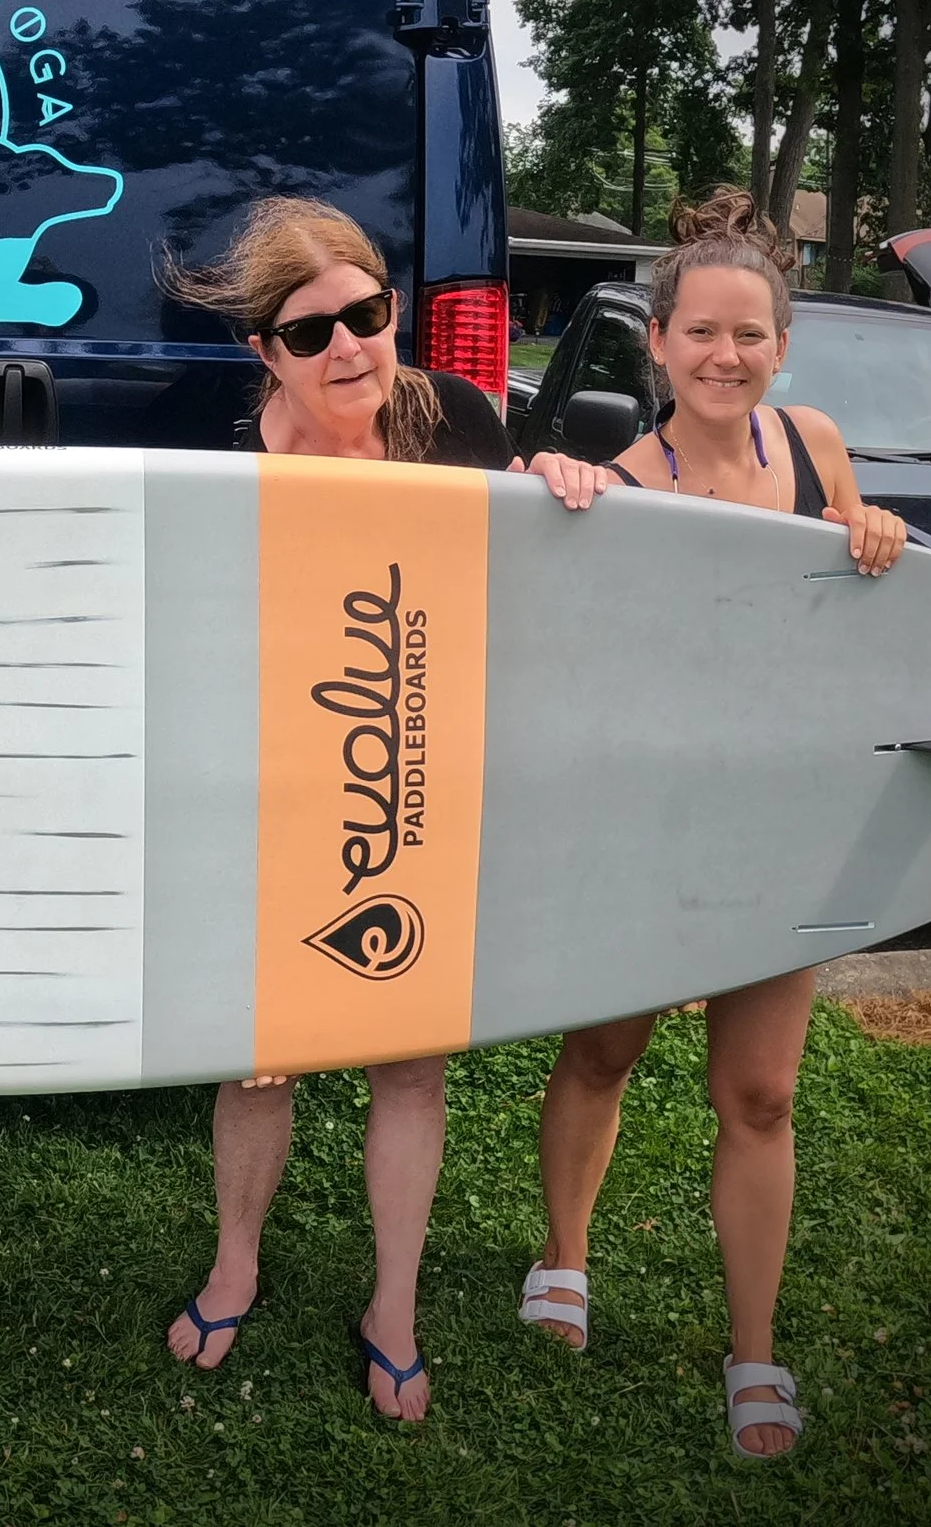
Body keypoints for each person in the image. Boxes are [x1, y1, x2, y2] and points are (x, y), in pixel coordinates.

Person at [159, 197, 609, 1425]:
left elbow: (525, 577)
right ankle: (235, 1261)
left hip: (420, 777)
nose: (350, 347)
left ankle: (392, 1305)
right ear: (266, 353)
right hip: (275, 787)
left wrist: (556, 479)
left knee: (409, 1062)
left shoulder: (456, 419)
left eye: (368, 313)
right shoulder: (224, 451)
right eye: (313, 333)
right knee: (258, 1060)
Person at [517, 187, 905, 1460]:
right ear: (660, 344)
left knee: (761, 1094)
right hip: (645, 824)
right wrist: (544, 481)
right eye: (701, 334)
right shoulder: (619, 478)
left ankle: (754, 1351)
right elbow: (547, 612)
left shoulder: (815, 444)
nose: (725, 356)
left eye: (749, 335)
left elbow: (873, 613)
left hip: (774, 826)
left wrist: (878, 529)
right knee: (602, 1057)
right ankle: (564, 1256)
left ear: (780, 346)